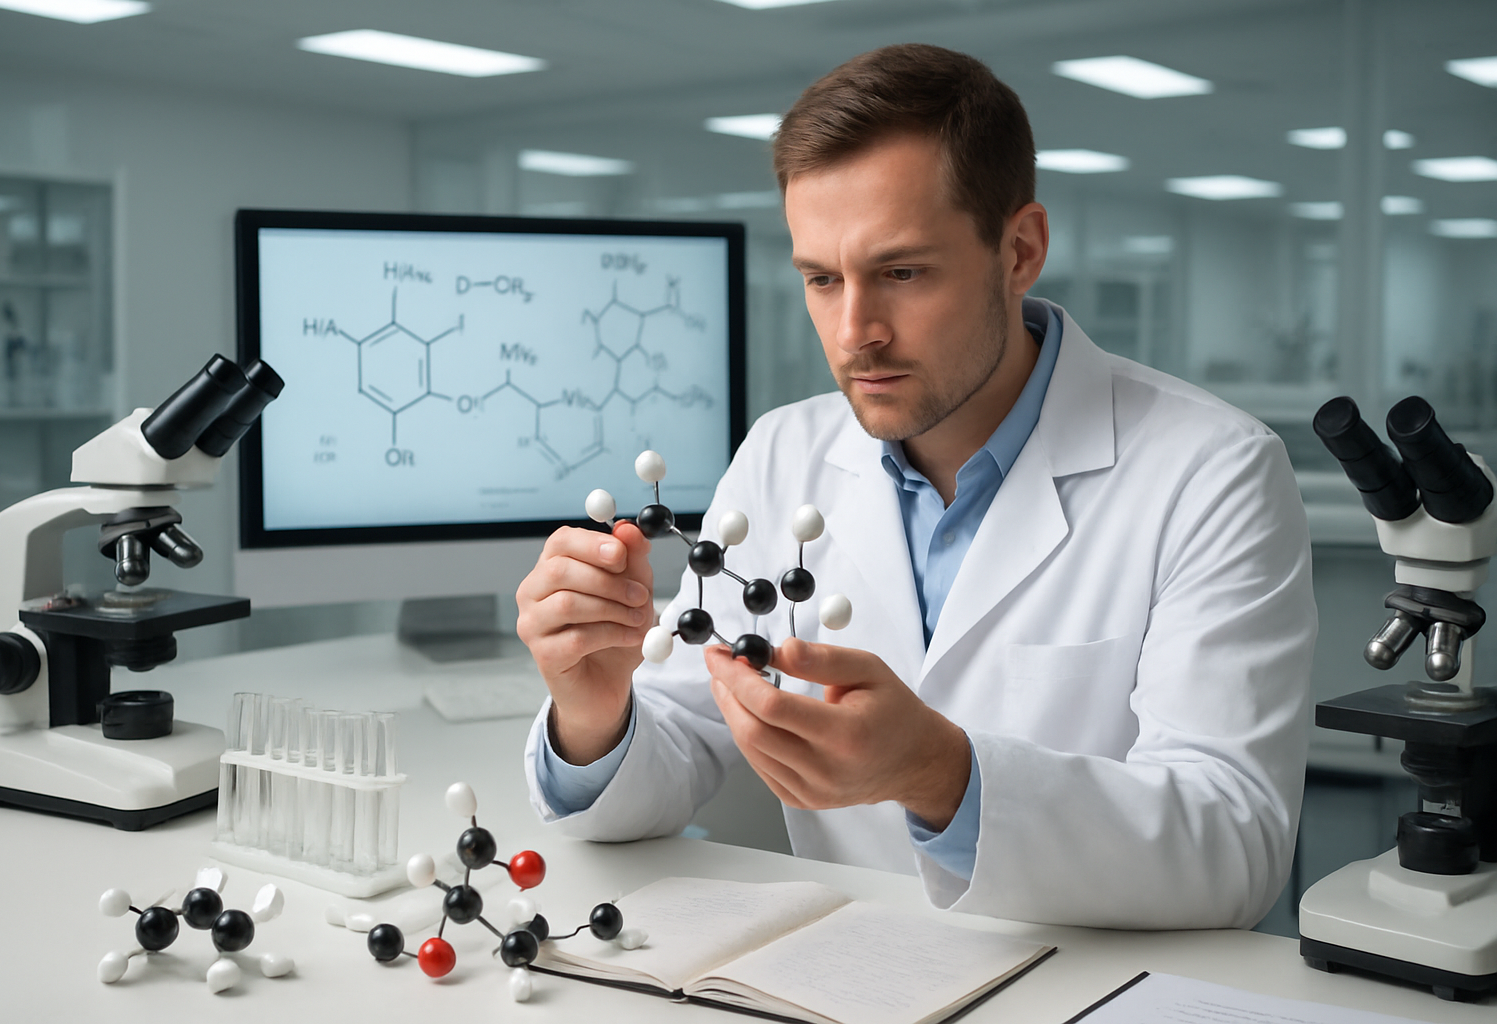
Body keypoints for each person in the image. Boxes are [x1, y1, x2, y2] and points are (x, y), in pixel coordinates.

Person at [514, 43, 1316, 930]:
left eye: (901, 273)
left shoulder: (1213, 472)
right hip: (846, 979)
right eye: (822, 279)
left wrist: (945, 775)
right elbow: (672, 753)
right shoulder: (784, 453)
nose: (855, 332)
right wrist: (592, 713)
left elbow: (1235, 845)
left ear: (1020, 251)